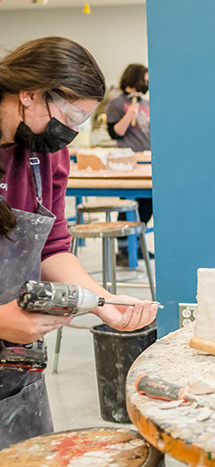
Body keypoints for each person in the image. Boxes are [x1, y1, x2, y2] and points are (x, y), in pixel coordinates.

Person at [0, 37, 158, 450]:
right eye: (68, 115)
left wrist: (102, 301)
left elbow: (51, 248)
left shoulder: (45, 153)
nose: (70, 131)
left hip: (14, 360)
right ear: (29, 94)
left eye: (82, 121)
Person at [105, 63, 152, 266]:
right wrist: (129, 114)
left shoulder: (148, 103)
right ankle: (124, 249)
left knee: (148, 204)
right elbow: (116, 132)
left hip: (148, 158)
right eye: (145, 79)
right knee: (129, 204)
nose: (147, 83)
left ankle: (138, 245)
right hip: (129, 160)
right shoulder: (116, 103)